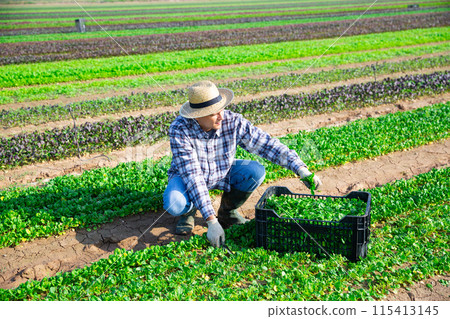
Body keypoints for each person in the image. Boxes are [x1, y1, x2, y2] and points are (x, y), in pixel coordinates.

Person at [163, 80, 322, 247]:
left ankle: (227, 212)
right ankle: (189, 211)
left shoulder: (233, 121)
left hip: (221, 171)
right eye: (213, 113)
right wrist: (211, 221)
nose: (221, 116)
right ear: (197, 115)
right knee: (175, 202)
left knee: (255, 171)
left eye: (221, 109)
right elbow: (193, 176)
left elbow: (266, 144)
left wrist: (300, 168)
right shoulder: (179, 130)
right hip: (187, 179)